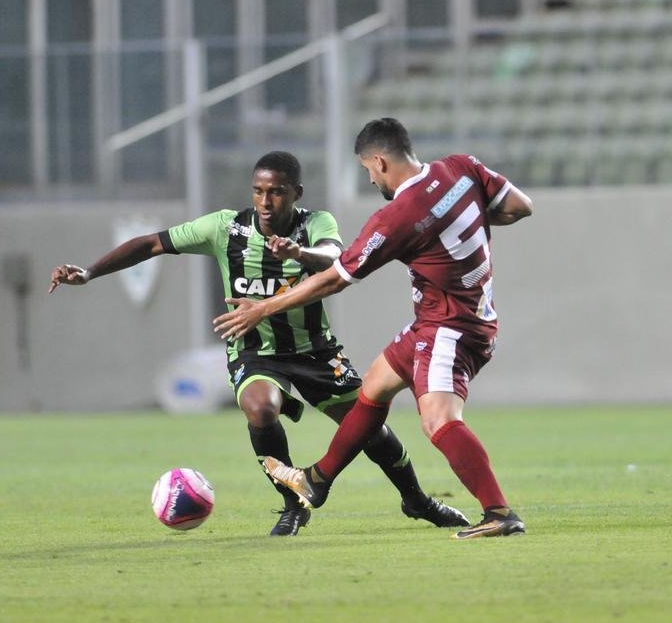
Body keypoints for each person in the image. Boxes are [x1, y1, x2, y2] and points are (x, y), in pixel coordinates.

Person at [48, 150, 469, 535]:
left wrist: (299, 254)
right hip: (256, 352)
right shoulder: (223, 228)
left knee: (370, 428)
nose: (266, 202)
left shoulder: (315, 222)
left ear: (296, 194)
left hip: (315, 350)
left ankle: (415, 499)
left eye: (277, 193)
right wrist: (88, 273)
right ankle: (292, 503)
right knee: (261, 409)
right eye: (259, 191)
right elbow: (151, 243)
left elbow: (336, 259)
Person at [214, 118, 534, 539]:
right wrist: (458, 224)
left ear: (380, 162)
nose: (370, 178)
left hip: (450, 328)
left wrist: (263, 308)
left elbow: (333, 279)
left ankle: (498, 512)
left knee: (438, 420)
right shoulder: (461, 167)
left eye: (367, 170)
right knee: (375, 386)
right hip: (439, 319)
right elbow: (518, 206)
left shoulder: (398, 216)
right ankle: (318, 479)